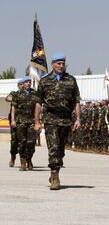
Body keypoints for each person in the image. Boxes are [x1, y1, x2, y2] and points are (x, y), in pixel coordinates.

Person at [34, 53, 81, 190]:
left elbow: (77, 101)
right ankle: (55, 176)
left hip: (66, 120)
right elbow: (38, 103)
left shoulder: (71, 80)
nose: (61, 66)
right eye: (58, 63)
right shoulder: (44, 81)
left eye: (63, 63)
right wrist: (37, 121)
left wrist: (78, 119)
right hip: (50, 119)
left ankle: (56, 170)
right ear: (53, 64)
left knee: (60, 150)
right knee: (53, 148)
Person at [10, 76, 39, 171]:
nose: (29, 83)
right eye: (27, 82)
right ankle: (23, 162)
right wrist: (13, 120)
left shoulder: (35, 94)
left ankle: (29, 159)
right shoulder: (17, 94)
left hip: (31, 121)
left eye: (30, 82)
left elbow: (38, 108)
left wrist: (38, 121)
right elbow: (13, 108)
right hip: (20, 121)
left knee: (31, 142)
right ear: (23, 84)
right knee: (22, 142)